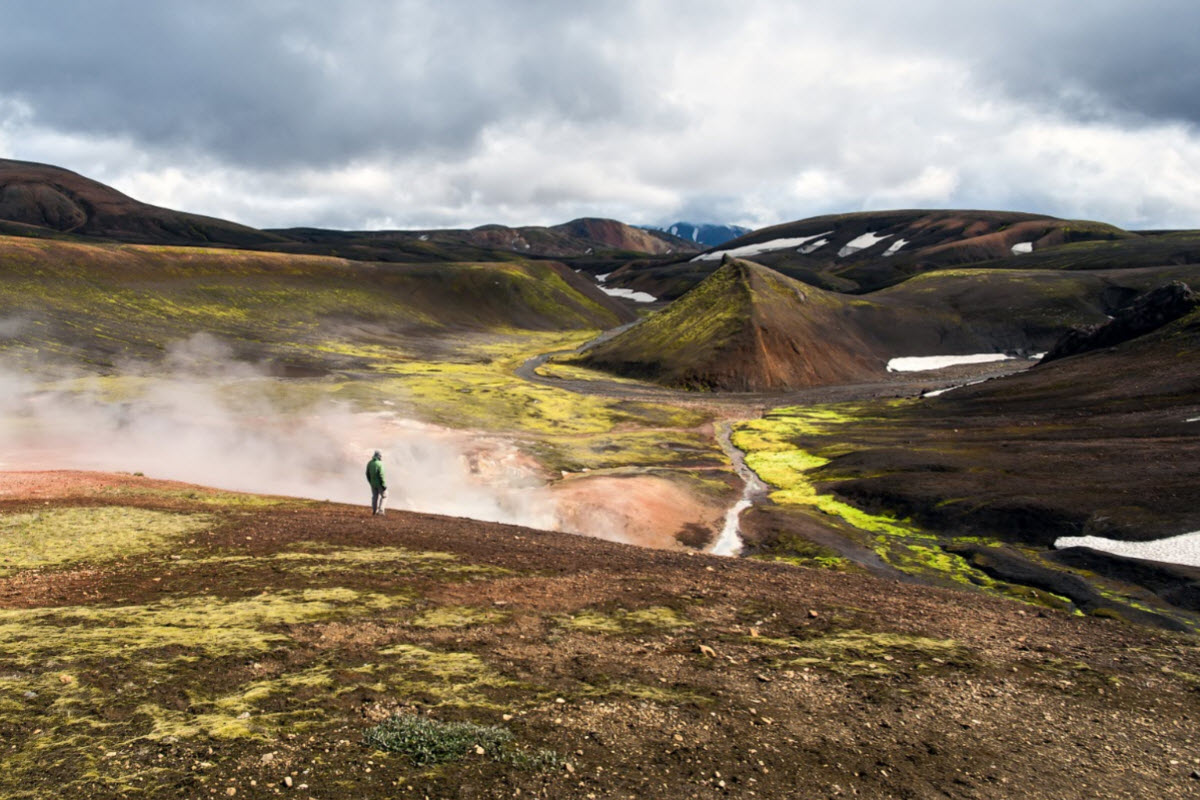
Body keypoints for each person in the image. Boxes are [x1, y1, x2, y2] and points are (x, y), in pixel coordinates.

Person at [366, 450, 387, 515]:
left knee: (375, 497)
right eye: (380, 456)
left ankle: (374, 511)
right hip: (379, 484)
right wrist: (383, 484)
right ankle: (381, 511)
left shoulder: (369, 463)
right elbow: (381, 475)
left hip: (373, 484)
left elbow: (367, 474)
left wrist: (370, 482)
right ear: (379, 456)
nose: (381, 457)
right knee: (384, 496)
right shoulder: (380, 464)